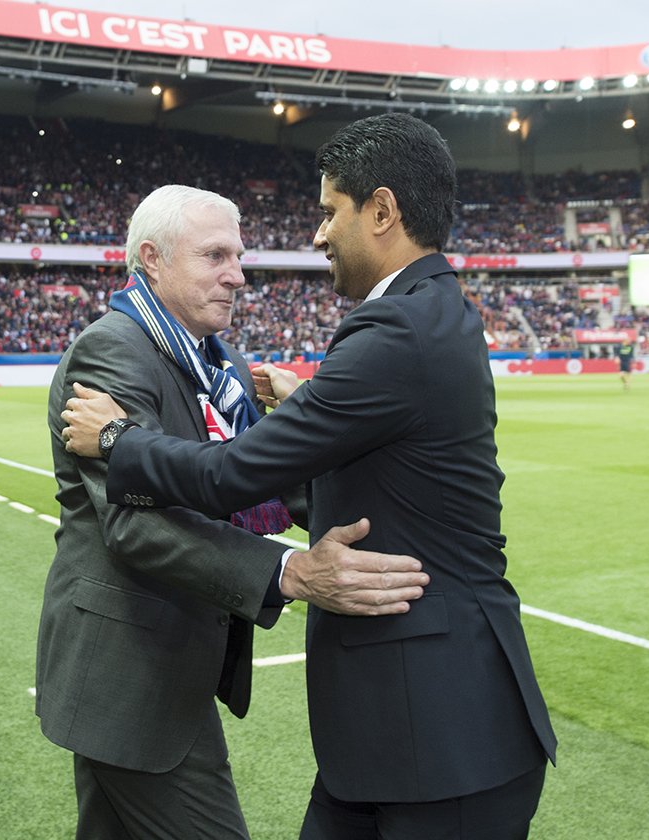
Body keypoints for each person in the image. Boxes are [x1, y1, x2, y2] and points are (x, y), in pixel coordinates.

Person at [62, 114, 555, 839]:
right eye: (216, 255)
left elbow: (233, 474)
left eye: (330, 212)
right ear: (152, 260)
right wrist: (313, 418)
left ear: (381, 211)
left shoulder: (395, 333)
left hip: (446, 737)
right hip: (396, 733)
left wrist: (116, 439)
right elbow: (358, 478)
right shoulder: (436, 313)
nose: (318, 235)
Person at [35, 184, 429, 840]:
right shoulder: (113, 353)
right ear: (152, 259)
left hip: (164, 669)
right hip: (130, 678)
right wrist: (290, 574)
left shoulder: (223, 364)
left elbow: (247, 479)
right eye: (216, 255)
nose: (238, 276)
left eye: (238, 256)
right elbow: (138, 524)